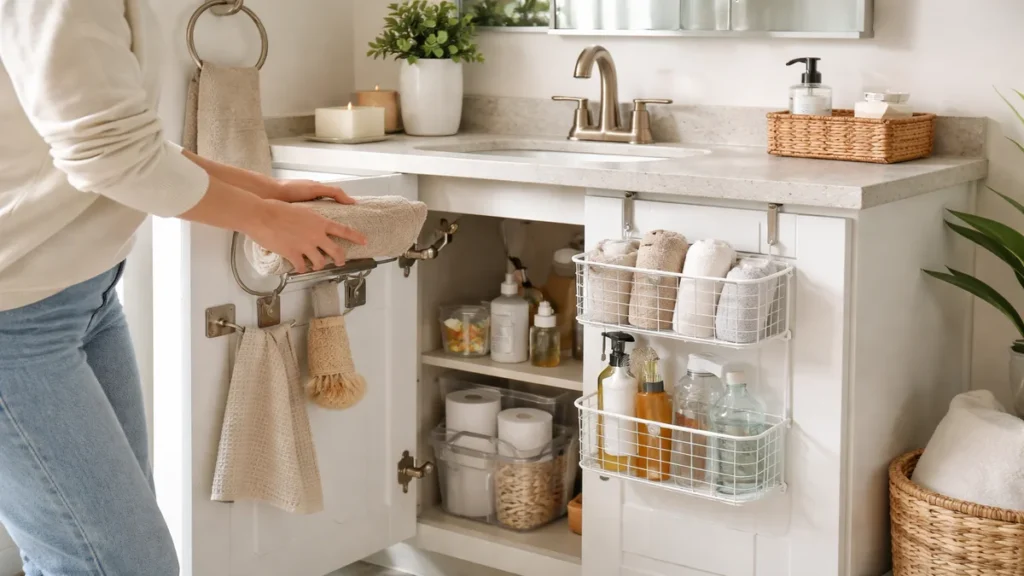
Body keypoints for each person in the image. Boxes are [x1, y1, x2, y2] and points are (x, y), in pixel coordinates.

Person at [0, 2, 364, 574]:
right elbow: (108, 154)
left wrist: (265, 194)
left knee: (85, 553)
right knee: (122, 563)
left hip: (85, 296)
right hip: (15, 317)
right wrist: (263, 219)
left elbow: (119, 136)